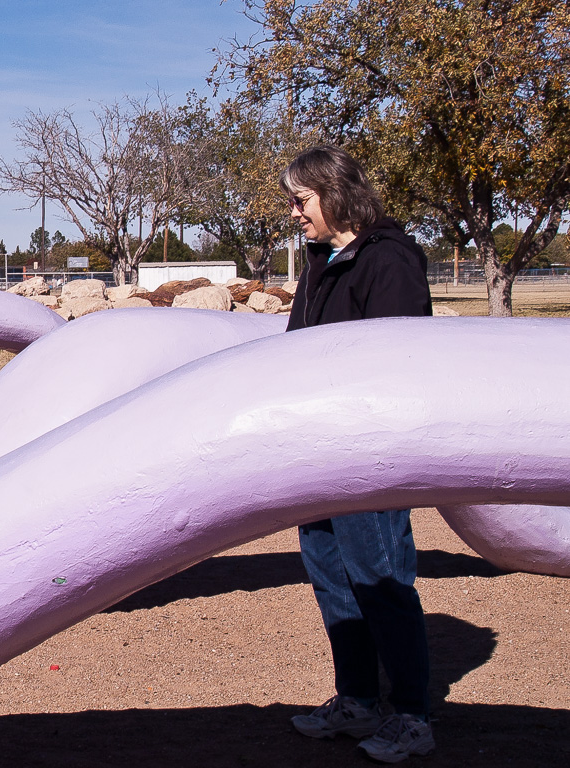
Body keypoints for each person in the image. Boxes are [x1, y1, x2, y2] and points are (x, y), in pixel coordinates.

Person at [281, 145, 434, 763]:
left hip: (370, 454)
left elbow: (399, 362)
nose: (294, 213)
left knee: (380, 578)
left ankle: (413, 718)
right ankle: (358, 701)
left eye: (301, 200)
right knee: (330, 576)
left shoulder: (389, 260)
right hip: (317, 447)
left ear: (334, 193)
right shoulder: (321, 260)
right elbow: (298, 346)